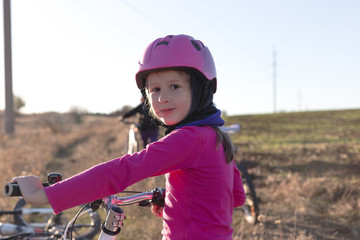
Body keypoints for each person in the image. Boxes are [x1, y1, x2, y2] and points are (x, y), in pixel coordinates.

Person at [12, 34, 246, 240]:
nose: (163, 97)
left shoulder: (189, 138)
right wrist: (176, 200)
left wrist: (44, 195)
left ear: (202, 90)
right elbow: (235, 197)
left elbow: (122, 170)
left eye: (174, 86)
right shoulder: (217, 138)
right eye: (155, 89)